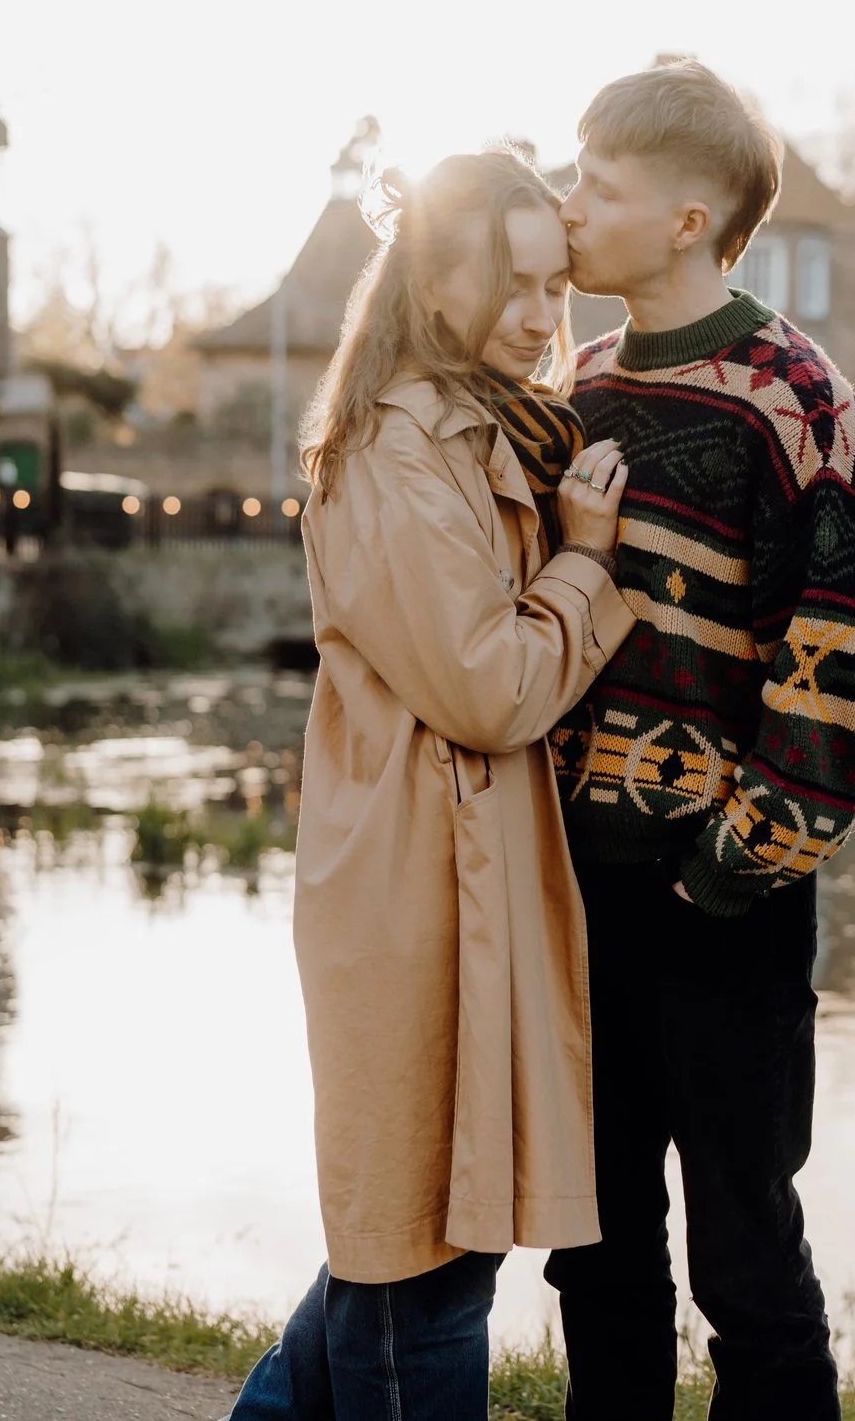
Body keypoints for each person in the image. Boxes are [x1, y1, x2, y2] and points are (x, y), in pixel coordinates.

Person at [227, 148, 636, 1421]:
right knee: (425, 1266)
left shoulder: (489, 427)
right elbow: (488, 689)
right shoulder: (406, 446)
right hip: (415, 897)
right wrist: (583, 563)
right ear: (433, 277)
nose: (539, 314)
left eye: (555, 286)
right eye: (510, 281)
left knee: (402, 1251)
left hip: (466, 882)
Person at [542, 59, 855, 1420]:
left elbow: (840, 660)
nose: (572, 206)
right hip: (578, 890)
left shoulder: (801, 401)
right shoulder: (573, 386)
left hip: (725, 903)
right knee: (595, 1246)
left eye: (600, 184)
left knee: (746, 1255)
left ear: (688, 219)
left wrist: (730, 862)